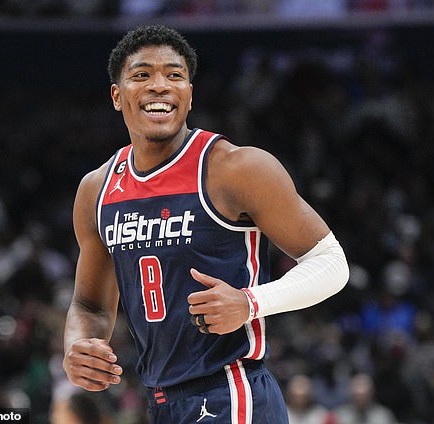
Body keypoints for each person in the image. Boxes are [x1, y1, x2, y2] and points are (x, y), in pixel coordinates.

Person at [63, 24, 349, 423]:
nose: (160, 86)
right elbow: (90, 304)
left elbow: (332, 263)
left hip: (231, 392)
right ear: (117, 95)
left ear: (190, 95)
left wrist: (251, 303)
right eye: (142, 75)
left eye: (175, 75)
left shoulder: (234, 168)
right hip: (161, 401)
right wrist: (79, 345)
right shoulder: (97, 189)